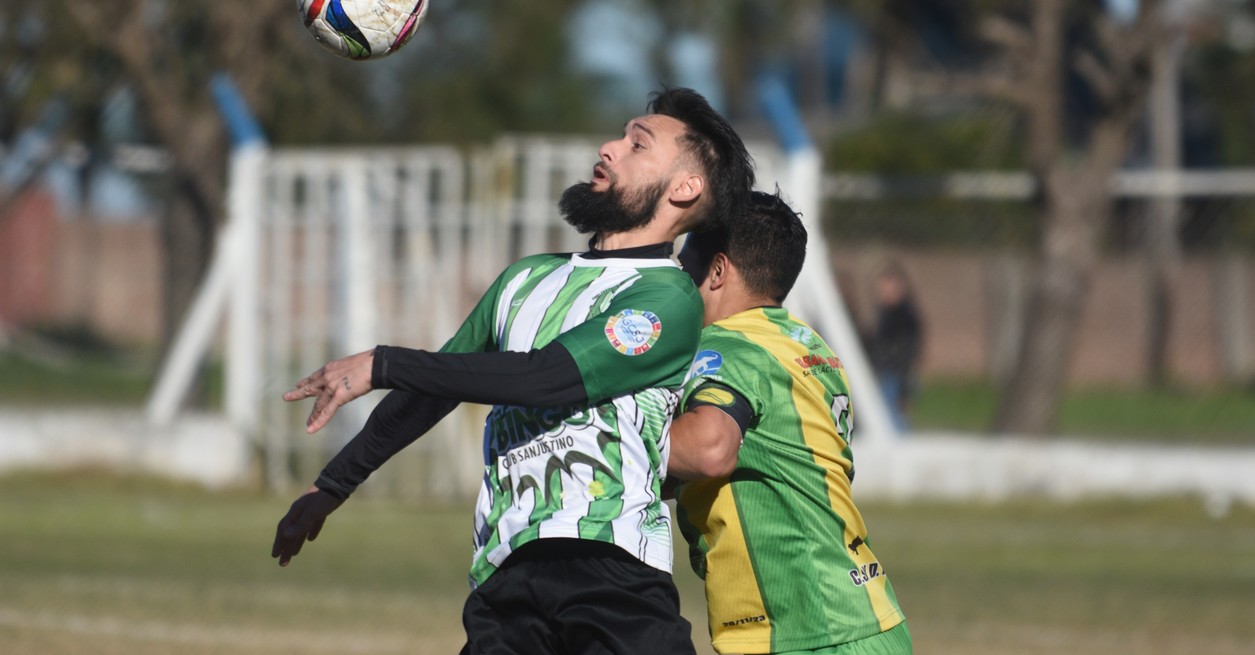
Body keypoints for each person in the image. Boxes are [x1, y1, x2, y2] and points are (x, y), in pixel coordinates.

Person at [270, 87, 755, 655]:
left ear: (684, 188)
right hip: (505, 572)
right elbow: (439, 387)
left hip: (611, 573)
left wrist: (383, 363)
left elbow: (544, 379)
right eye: (620, 134)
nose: (610, 146)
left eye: (637, 143)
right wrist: (334, 484)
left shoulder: (666, 298)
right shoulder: (525, 279)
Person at [669, 191, 911, 655]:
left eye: (685, 269)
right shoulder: (804, 343)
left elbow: (708, 449)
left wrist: (603, 440)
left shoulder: (728, 348)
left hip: (806, 632)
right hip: (864, 618)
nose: (679, 284)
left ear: (717, 272)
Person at [862, 261, 923, 432]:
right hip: (883, 375)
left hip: (896, 377)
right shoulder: (882, 315)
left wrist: (905, 388)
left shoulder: (905, 317)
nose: (885, 293)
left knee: (895, 423)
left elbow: (909, 353)